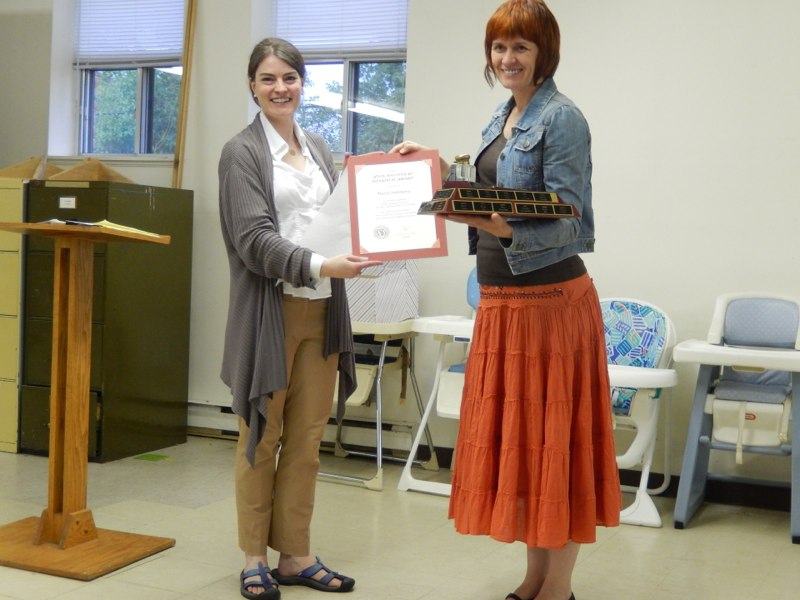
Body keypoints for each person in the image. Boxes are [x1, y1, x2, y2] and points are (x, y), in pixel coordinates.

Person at [391, 2, 620, 599]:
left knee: (555, 448)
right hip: (503, 302)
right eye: (498, 48)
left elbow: (571, 220)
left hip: (549, 304)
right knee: (526, 448)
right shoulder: (504, 113)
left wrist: (495, 226)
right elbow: (490, 192)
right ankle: (535, 577)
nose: (507, 59)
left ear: (545, 51)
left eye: (520, 47)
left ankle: (559, 589)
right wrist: (436, 168)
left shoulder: (563, 118)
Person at [218, 37, 379, 600]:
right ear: (252, 86)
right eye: (267, 78)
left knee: (308, 440)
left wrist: (393, 173)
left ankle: (296, 555)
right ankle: (253, 558)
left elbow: (344, 215)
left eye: (289, 77)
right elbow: (253, 240)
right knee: (261, 435)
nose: (280, 87)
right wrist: (319, 262)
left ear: (302, 83)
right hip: (270, 314)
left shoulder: (318, 148)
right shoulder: (241, 153)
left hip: (323, 312)